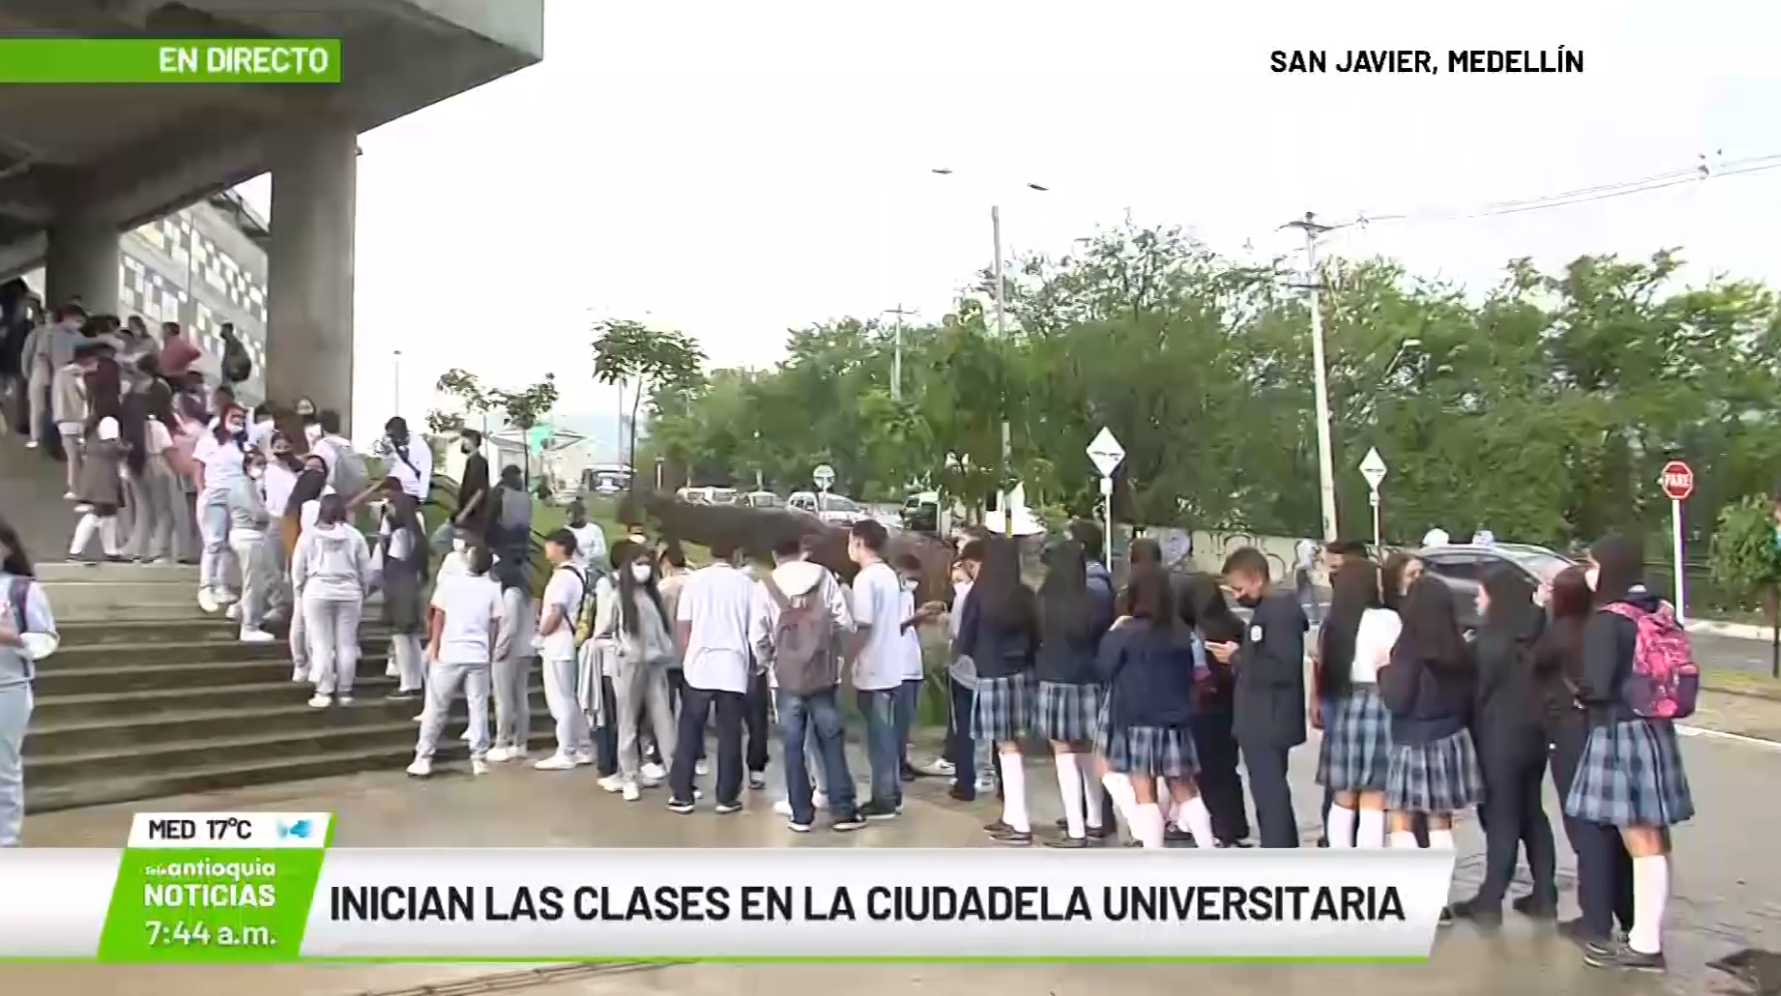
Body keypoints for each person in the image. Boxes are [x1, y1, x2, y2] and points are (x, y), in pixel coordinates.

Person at [1563, 535, 1694, 973]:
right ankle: (1646, 935)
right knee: (1654, 838)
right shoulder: (1658, 609)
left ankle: (1645, 943)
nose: (1589, 573)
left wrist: (1577, 692)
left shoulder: (1607, 620)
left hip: (1619, 732)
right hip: (1655, 728)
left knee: (1638, 839)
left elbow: (1595, 686)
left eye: (1593, 564)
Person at [1450, 565, 1557, 924]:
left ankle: (1490, 898)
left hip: (1498, 737)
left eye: (1481, 593)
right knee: (1531, 812)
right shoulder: (1536, 631)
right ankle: (1544, 892)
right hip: (1536, 736)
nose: (1477, 600)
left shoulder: (1488, 641)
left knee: (1501, 816)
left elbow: (1473, 694)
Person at [1539, 565, 1635, 948]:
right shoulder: (1605, 626)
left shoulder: (1559, 633)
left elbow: (1531, 665)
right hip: (1607, 731)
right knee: (1617, 828)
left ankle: (1594, 919)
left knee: (1584, 829)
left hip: (1570, 734)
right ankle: (1629, 914)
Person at [1094, 564, 1218, 850]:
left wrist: (1113, 632)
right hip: (1176, 721)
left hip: (1137, 720)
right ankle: (1208, 848)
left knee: (1143, 791)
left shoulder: (1125, 632)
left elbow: (1102, 669)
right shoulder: (1181, 633)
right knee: (1184, 789)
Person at [1380, 577, 1483, 909]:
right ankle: (1439, 900)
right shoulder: (1459, 645)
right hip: (1451, 736)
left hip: (1413, 738)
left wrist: (1383, 673)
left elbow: (1397, 699)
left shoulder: (1408, 646)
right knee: (1440, 819)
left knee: (1400, 816)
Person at [754, 529, 862, 831]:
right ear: (800, 548)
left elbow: (758, 635)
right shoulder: (823, 577)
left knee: (792, 745)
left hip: (785, 679)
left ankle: (801, 814)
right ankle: (843, 811)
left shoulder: (765, 586)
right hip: (822, 674)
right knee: (831, 741)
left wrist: (768, 662)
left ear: (775, 555)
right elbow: (845, 622)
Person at [1214, 547, 1307, 848]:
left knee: (1270, 792)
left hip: (1269, 717)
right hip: (1262, 716)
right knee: (1267, 789)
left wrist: (1238, 657)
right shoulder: (1267, 611)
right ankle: (1280, 845)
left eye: (1239, 588)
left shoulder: (1278, 612)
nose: (1237, 595)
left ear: (1257, 580)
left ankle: (1278, 849)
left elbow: (1282, 666)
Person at [956, 535, 1041, 843]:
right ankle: (1011, 816)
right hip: (1024, 675)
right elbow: (1037, 635)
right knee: (1015, 744)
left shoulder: (980, 593)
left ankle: (1019, 820)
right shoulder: (1025, 593)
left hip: (991, 673)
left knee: (1005, 747)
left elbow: (965, 638)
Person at [1034, 540, 1115, 847]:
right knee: (1087, 750)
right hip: (1090, 680)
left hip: (1055, 680)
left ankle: (1076, 828)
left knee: (1063, 752)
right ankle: (1096, 820)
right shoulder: (1094, 600)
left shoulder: (1045, 600)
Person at [1314, 561, 1400, 850]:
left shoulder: (1335, 622)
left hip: (1347, 703)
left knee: (1343, 795)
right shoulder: (1386, 619)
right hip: (1379, 703)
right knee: (1375, 796)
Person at [668, 538, 756, 814]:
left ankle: (683, 793)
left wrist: (687, 654)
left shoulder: (694, 581)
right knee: (730, 733)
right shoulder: (747, 586)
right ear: (737, 554)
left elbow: (684, 625)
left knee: (690, 730)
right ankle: (727, 796)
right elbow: (754, 630)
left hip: (699, 664)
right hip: (733, 664)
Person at [592, 541, 679, 800]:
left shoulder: (653, 597)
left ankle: (678, 776)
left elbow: (663, 632)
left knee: (664, 721)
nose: (644, 569)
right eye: (638, 563)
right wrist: (621, 649)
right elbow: (602, 635)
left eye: (646, 564)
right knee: (628, 722)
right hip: (629, 666)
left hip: (655, 665)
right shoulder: (618, 597)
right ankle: (629, 775)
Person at [409, 543, 503, 778]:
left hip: (450, 652)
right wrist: (489, 651)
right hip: (478, 655)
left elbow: (438, 616)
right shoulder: (493, 587)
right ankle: (478, 757)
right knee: (478, 706)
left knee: (436, 707)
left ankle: (424, 756)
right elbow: (494, 625)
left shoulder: (450, 584)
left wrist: (436, 644)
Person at [842, 520, 913, 820]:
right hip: (892, 666)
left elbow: (864, 624)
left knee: (878, 737)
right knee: (887, 735)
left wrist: (848, 661)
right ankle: (891, 793)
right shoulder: (890, 576)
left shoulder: (866, 579)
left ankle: (884, 798)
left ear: (859, 542)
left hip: (873, 668)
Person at [1179, 573, 1250, 846]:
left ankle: (1215, 827)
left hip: (1198, 706)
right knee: (1227, 768)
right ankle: (1234, 826)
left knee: (1204, 771)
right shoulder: (1233, 624)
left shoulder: (1187, 629)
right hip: (1230, 703)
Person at [0, 517, 57, 847]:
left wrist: (14, 638)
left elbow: (46, 641)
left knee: (4, 774)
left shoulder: (22, 589)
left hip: (7, 691)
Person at [291, 494, 374, 708]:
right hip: (349, 591)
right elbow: (366, 568)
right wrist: (363, 590)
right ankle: (345, 691)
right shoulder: (354, 536)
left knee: (321, 644)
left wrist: (300, 588)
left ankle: (323, 690)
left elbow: (298, 567)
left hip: (318, 590)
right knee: (346, 643)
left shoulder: (309, 535)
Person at [937, 541, 995, 801]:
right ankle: (993, 777)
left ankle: (966, 781)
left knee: (965, 727)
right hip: (994, 670)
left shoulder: (966, 594)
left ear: (972, 563)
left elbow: (956, 632)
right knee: (994, 729)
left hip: (964, 669)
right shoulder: (1006, 590)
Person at [374, 477, 430, 701]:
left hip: (397, 576)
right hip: (412, 577)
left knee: (400, 633)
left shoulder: (392, 520)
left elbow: (384, 550)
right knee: (411, 635)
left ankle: (408, 683)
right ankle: (416, 681)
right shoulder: (417, 524)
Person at [192, 405, 250, 613]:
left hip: (237, 496)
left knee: (229, 544)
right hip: (214, 494)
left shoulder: (242, 445)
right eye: (234, 416)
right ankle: (206, 587)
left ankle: (221, 585)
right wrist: (202, 492)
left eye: (242, 418)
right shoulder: (209, 441)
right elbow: (198, 467)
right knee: (213, 542)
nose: (238, 420)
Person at [225, 447, 276, 643]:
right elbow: (258, 515)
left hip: (245, 534)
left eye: (264, 464)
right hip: (248, 536)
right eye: (258, 464)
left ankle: (239, 610)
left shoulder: (245, 485)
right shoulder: (245, 485)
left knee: (257, 580)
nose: (261, 468)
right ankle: (250, 626)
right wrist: (268, 514)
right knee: (254, 583)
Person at [67, 416, 126, 562]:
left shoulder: (92, 424)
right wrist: (128, 448)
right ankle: (75, 550)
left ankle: (110, 551)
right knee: (100, 510)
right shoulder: (109, 421)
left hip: (95, 471)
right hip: (105, 473)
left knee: (109, 512)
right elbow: (112, 446)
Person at [379, 416, 432, 505]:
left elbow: (425, 472)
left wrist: (422, 497)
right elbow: (389, 468)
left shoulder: (420, 447)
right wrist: (387, 452)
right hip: (397, 484)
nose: (390, 439)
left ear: (400, 434)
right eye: (389, 436)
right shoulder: (394, 443)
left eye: (392, 436)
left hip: (412, 490)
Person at [453, 429, 493, 538]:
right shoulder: (471, 461)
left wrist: (464, 513)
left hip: (474, 515)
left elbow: (480, 491)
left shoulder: (479, 462)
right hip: (470, 514)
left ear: (474, 442)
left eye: (466, 439)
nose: (463, 442)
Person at [565, 500, 607, 571]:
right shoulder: (565, 532)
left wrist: (584, 554)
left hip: (591, 568)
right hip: (571, 569)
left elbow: (601, 551)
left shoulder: (594, 529)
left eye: (575, 516)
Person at [218, 323, 251, 388]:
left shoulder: (232, 341)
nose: (221, 331)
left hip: (240, 366)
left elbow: (227, 360)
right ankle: (227, 384)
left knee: (225, 365)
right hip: (239, 367)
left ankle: (226, 384)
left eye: (223, 329)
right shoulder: (229, 342)